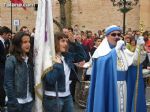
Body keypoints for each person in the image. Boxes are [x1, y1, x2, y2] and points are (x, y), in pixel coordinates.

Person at [87, 25, 147, 112]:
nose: (117, 37)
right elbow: (103, 63)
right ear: (107, 36)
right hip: (110, 87)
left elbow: (134, 62)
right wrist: (115, 51)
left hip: (124, 86)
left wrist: (140, 48)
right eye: (113, 34)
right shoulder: (101, 51)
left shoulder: (122, 50)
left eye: (119, 35)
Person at [42, 32, 86, 112]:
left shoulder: (66, 56)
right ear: (55, 42)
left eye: (66, 41)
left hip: (67, 96)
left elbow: (83, 56)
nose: (66, 44)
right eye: (62, 41)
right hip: (53, 97)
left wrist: (74, 42)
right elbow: (50, 80)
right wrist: (58, 65)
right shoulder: (48, 58)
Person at [4, 32, 34, 112]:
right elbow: (8, 83)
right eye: (25, 42)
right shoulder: (11, 59)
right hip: (16, 102)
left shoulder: (29, 59)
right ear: (17, 44)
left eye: (29, 42)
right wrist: (13, 101)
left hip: (29, 100)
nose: (28, 44)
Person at [0, 26, 11, 112]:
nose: (9, 36)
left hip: (3, 66)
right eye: (8, 35)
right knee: (1, 85)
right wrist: (6, 58)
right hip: (1, 68)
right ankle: (2, 103)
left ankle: (2, 102)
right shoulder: (0, 42)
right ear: (3, 34)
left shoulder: (5, 42)